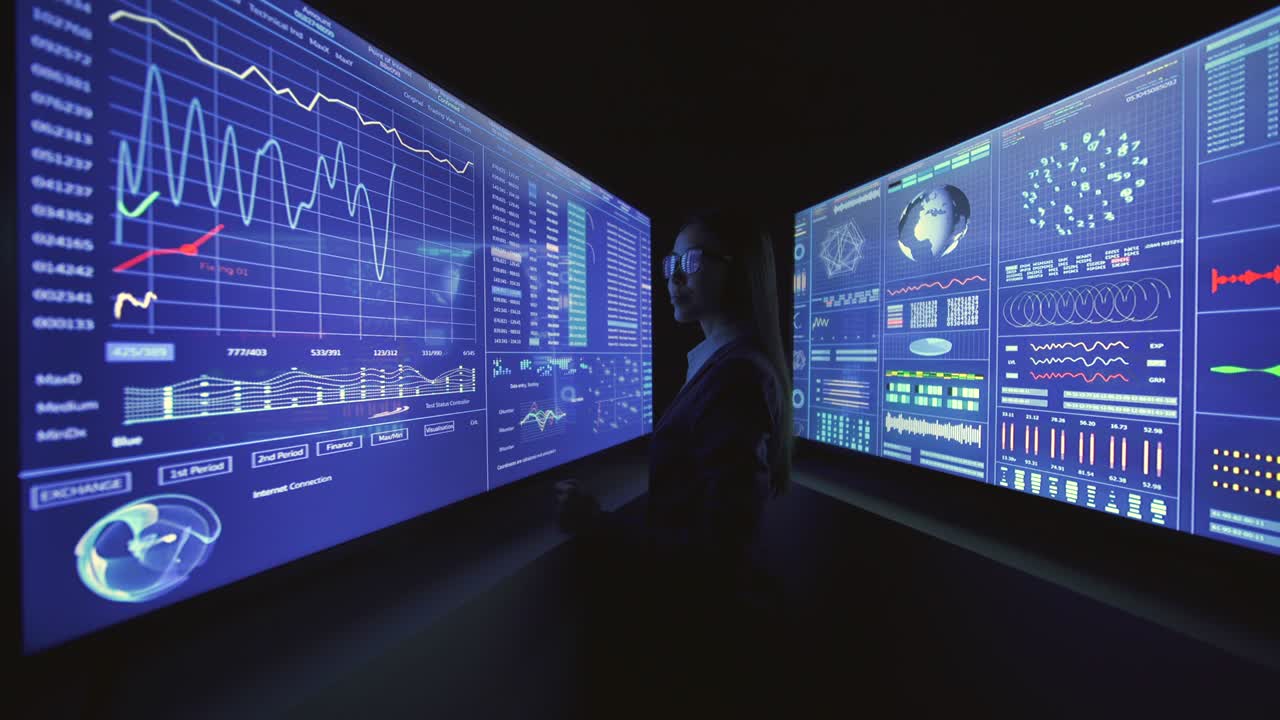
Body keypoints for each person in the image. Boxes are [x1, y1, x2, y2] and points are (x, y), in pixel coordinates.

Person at [556, 207, 793, 711]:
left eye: (692, 259)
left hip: (698, 648)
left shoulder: (737, 376)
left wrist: (597, 524)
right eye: (670, 262)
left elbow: (718, 550)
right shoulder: (725, 362)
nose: (674, 276)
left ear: (737, 267)